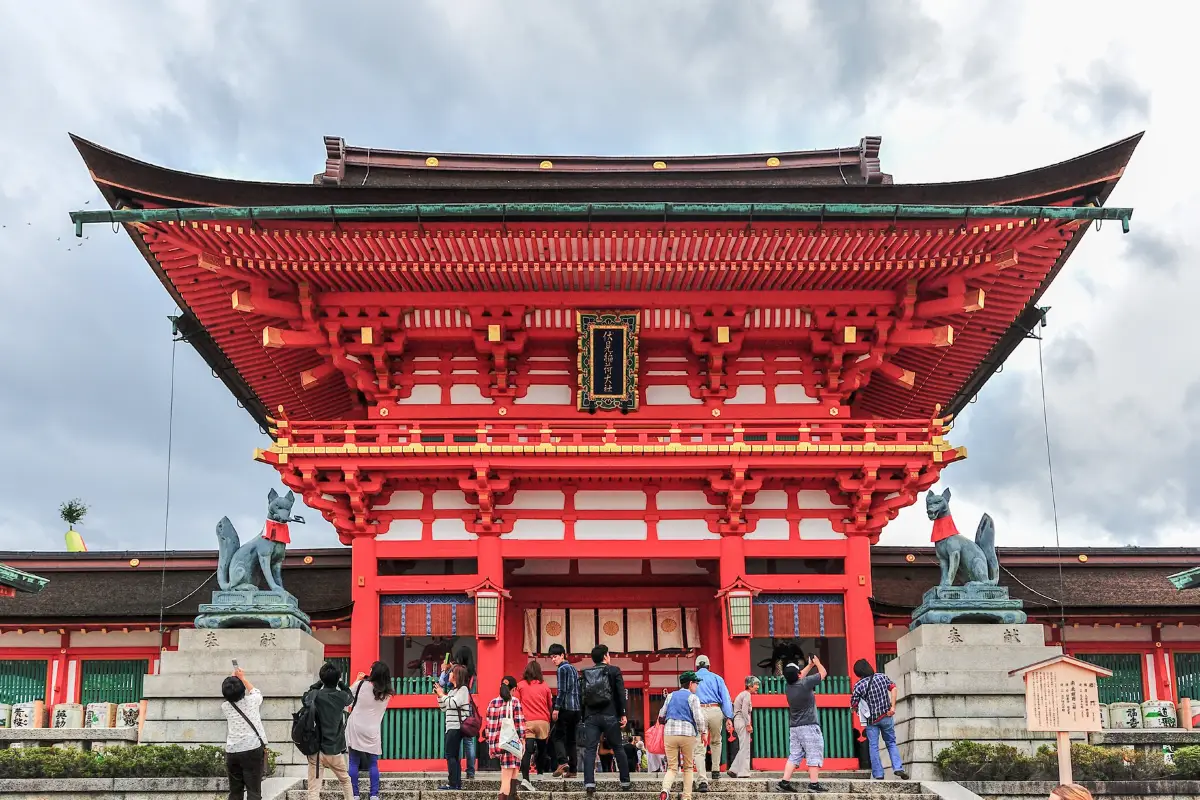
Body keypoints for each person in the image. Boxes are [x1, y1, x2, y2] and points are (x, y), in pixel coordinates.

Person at [580, 644, 632, 795]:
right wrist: (623, 713)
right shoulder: (614, 670)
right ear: (605, 656)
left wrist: (584, 715)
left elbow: (582, 696)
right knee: (618, 747)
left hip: (591, 716)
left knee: (590, 749)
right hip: (610, 715)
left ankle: (589, 783)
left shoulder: (586, 673)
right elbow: (620, 693)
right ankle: (625, 781)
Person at [775, 657, 828, 794]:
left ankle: (784, 782)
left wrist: (809, 666)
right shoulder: (805, 683)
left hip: (794, 727)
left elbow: (798, 675)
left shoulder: (788, 687)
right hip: (809, 726)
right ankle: (814, 785)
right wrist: (816, 663)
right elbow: (823, 673)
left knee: (795, 755)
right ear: (798, 674)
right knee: (814, 753)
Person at [849, 659, 908, 781]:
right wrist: (892, 707)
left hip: (871, 721)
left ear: (858, 672)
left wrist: (854, 709)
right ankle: (898, 768)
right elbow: (893, 688)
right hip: (886, 716)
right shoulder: (882, 677)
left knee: (873, 746)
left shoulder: (859, 686)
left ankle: (878, 774)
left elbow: (854, 704)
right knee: (891, 742)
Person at [305, 662, 355, 800]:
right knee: (345, 781)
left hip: (317, 749)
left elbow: (305, 698)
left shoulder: (315, 695)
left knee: (314, 789)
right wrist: (342, 684)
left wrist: (318, 684)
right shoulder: (341, 697)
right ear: (338, 678)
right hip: (335, 749)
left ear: (322, 678)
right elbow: (350, 697)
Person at [346, 661, 395, 800]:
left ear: (373, 672)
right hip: (372, 730)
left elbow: (347, 698)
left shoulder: (362, 685)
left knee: (353, 762)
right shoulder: (387, 694)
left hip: (355, 726)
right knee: (373, 763)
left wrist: (357, 680)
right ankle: (374, 794)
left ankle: (355, 794)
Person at [657, 671, 708, 800]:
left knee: (672, 767)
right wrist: (703, 732)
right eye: (696, 683)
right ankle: (686, 796)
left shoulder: (670, 696)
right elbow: (698, 717)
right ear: (690, 683)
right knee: (688, 767)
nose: (697, 686)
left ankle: (665, 790)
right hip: (687, 734)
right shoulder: (693, 698)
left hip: (669, 734)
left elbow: (661, 714)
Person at [221, 667, 267, 800]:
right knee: (253, 791)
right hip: (252, 749)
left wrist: (233, 680)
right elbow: (256, 692)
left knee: (235, 792)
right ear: (242, 690)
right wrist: (242, 678)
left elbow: (229, 694)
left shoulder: (225, 707)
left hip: (232, 751)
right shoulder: (252, 701)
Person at [691, 655, 734, 789]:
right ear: (709, 666)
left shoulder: (692, 678)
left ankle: (702, 778)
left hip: (699, 710)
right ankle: (715, 770)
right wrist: (729, 717)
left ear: (696, 666)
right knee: (716, 740)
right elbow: (725, 698)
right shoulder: (717, 678)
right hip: (715, 709)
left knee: (699, 744)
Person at [439, 647, 479, 780]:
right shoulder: (472, 672)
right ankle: (471, 771)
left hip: (456, 710)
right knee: (468, 742)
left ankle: (457, 771)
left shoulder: (456, 670)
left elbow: (442, 682)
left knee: (455, 745)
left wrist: (445, 669)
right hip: (467, 709)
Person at [485, 676, 527, 800]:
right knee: (506, 778)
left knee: (514, 768)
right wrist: (523, 740)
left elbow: (488, 726)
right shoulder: (514, 702)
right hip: (510, 743)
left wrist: (491, 743)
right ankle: (505, 796)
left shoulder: (492, 703)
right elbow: (520, 724)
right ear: (513, 689)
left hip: (496, 744)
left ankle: (513, 796)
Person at [515, 660, 553, 791]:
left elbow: (517, 704)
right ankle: (540, 774)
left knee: (528, 750)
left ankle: (525, 778)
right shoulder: (545, 686)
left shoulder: (520, 686)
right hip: (543, 721)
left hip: (527, 722)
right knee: (542, 749)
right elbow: (550, 705)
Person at [435, 664, 473, 790]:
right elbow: (444, 707)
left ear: (456, 676)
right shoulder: (452, 691)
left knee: (450, 755)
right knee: (454, 755)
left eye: (451, 673)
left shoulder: (463, 690)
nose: (449, 674)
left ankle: (452, 783)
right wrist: (439, 695)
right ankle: (456, 783)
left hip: (456, 727)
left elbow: (453, 703)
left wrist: (442, 695)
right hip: (450, 726)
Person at [548, 643, 581, 778]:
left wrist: (556, 708)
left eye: (555, 656)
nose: (553, 659)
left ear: (562, 655)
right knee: (572, 740)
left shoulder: (562, 669)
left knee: (557, 736)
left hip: (566, 708)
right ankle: (573, 769)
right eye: (551, 657)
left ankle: (562, 762)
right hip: (576, 709)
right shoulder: (573, 668)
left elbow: (562, 690)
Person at [728, 676, 759, 778]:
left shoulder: (742, 694)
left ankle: (734, 769)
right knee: (745, 748)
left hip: (738, 720)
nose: (757, 687)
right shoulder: (747, 695)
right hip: (742, 720)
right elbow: (745, 711)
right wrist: (748, 724)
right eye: (756, 684)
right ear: (750, 686)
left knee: (743, 747)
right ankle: (743, 772)